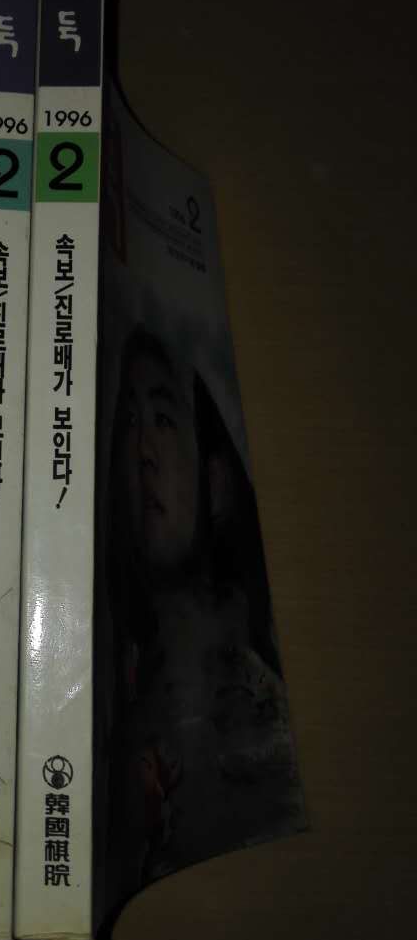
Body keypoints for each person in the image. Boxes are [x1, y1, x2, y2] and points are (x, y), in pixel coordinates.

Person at [104, 326, 303, 895]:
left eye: (165, 420)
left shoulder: (264, 708)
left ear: (216, 479)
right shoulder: (128, 709)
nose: (143, 451)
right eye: (130, 421)